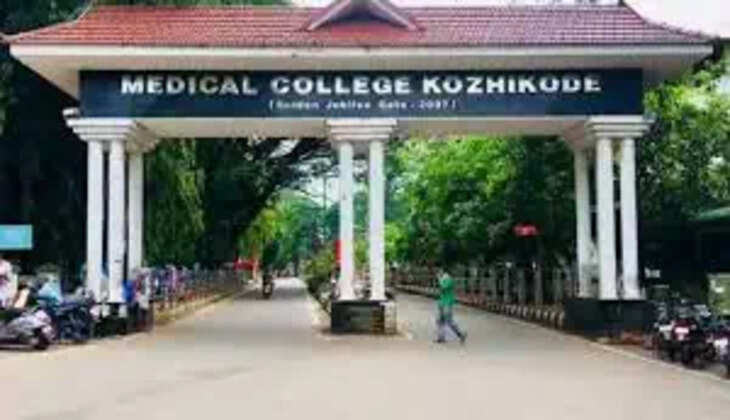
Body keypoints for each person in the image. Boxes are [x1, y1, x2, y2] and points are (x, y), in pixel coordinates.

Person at [434, 267, 467, 344]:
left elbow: (443, 287)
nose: (438, 274)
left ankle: (461, 334)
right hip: (442, 302)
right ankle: (441, 338)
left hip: (448, 303)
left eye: (439, 272)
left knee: (449, 321)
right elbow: (440, 290)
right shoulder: (443, 279)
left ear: (443, 272)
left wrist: (439, 279)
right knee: (439, 321)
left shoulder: (449, 279)